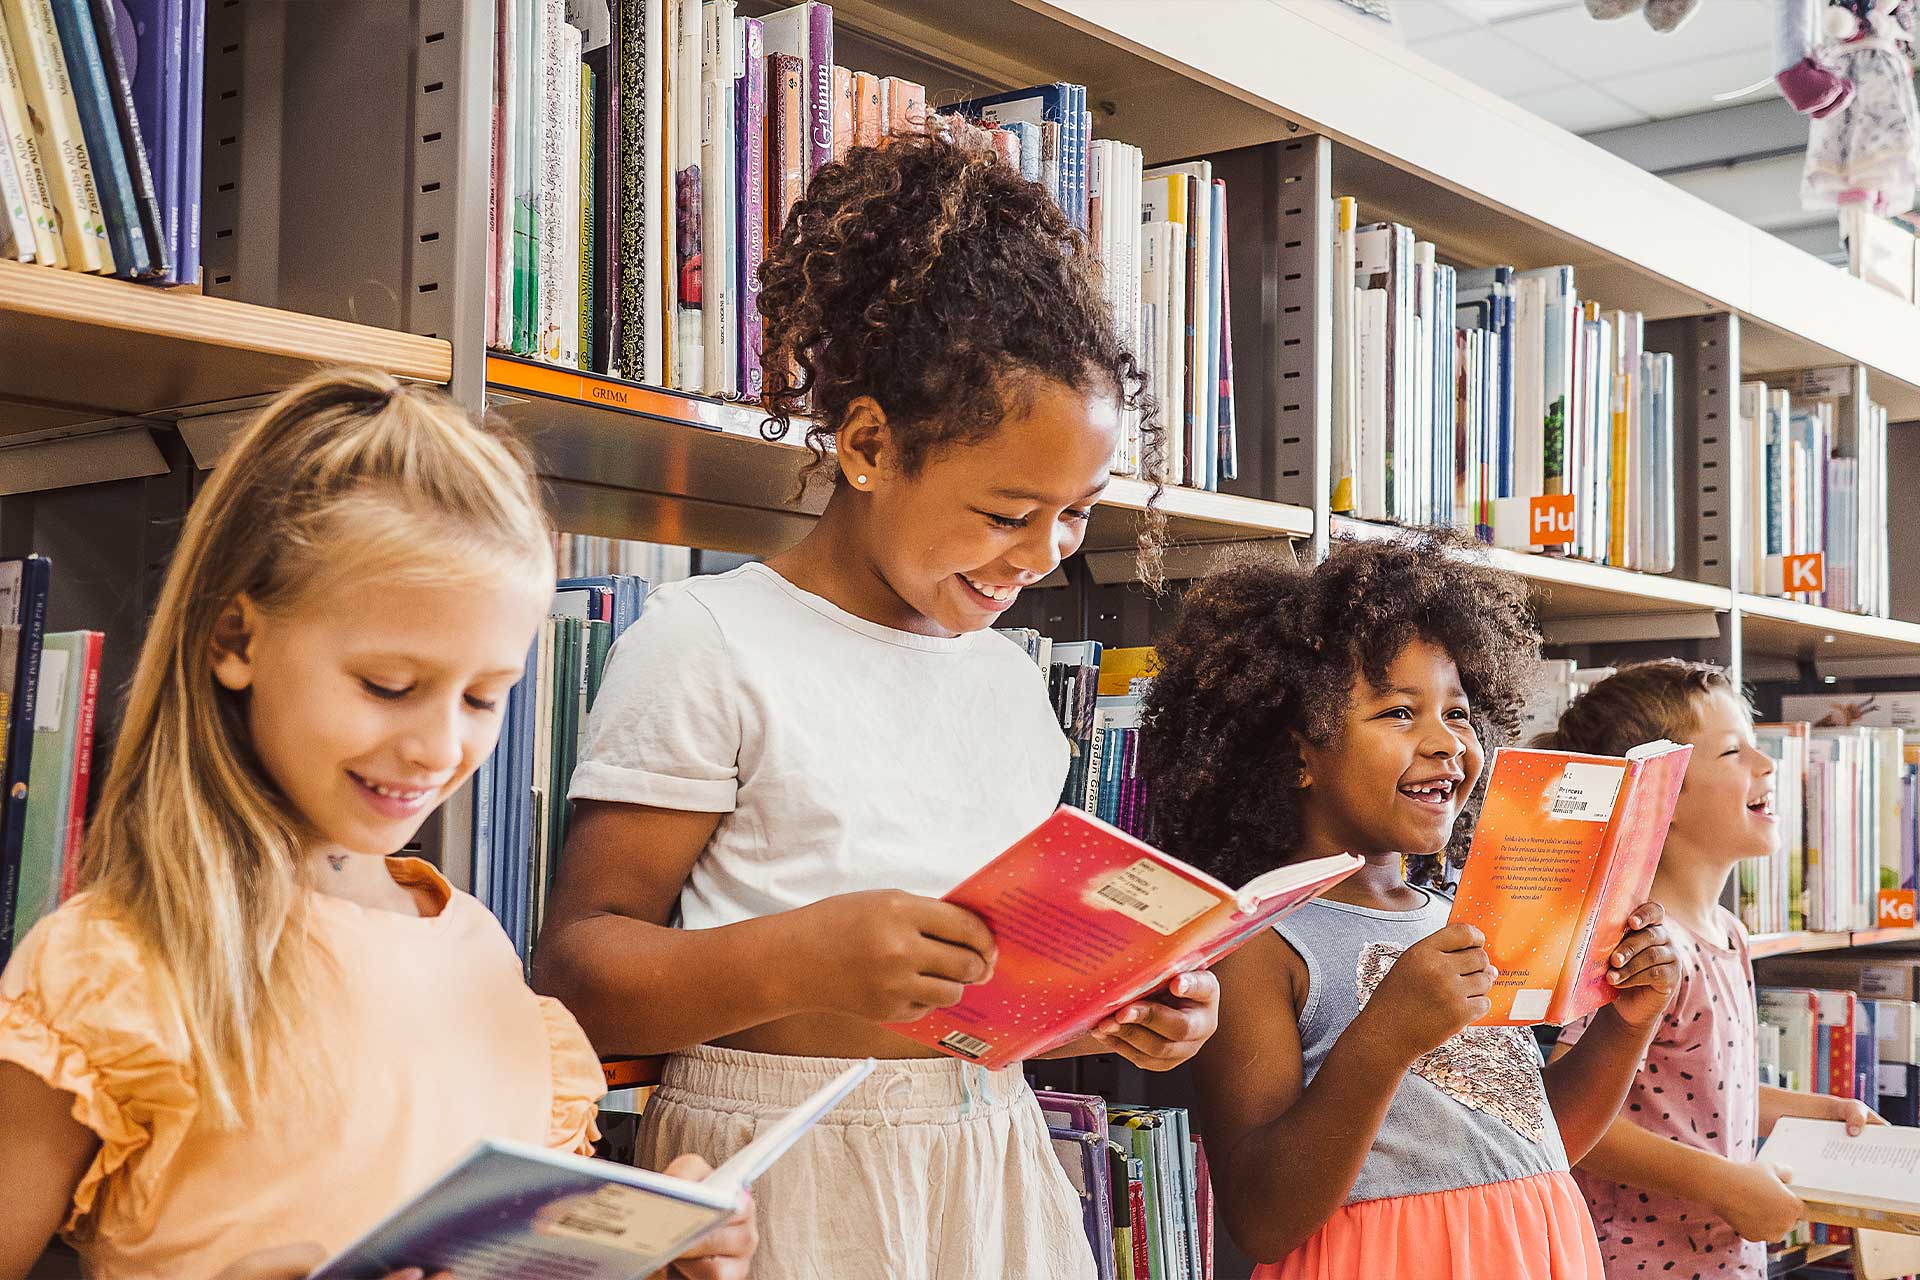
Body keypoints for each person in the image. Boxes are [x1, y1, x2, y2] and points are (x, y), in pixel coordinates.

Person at [533, 131, 1217, 1280]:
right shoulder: (711, 645)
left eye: (1076, 514)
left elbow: (986, 987)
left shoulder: (1009, 680)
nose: (1042, 554)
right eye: (1006, 511)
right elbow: (578, 975)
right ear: (866, 444)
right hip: (776, 1172)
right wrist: (807, 958)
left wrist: (1104, 1007)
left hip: (991, 1159)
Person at [0, 371, 753, 1280]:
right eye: (388, 687)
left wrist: (658, 1258)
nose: (438, 746)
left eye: (484, 697)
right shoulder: (112, 966)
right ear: (235, 642)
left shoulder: (480, 956)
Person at [1144, 535, 1680, 1279]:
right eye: (1399, 713)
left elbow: (1537, 1136)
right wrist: (1385, 1036)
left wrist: (1628, 1023)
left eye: (1458, 714)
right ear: (1298, 752)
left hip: (1536, 1250)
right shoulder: (1259, 941)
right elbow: (1263, 1219)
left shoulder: (1463, 912)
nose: (1444, 743)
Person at [1541, 659, 1883, 1279]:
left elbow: (1705, 1095)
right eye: (1733, 753)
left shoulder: (1727, 933)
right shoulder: (1645, 949)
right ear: (1660, 795)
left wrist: (1822, 1112)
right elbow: (1573, 1114)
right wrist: (1727, 1186)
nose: (1768, 764)